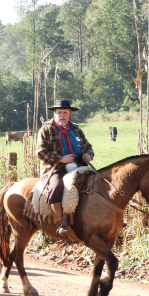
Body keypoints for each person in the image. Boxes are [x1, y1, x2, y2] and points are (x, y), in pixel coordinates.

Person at [36, 99, 95, 239]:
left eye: (65, 112)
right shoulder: (46, 129)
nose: (62, 115)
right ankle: (62, 223)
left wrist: (88, 154)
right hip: (55, 168)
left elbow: (88, 146)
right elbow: (40, 151)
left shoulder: (76, 130)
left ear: (70, 114)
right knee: (57, 186)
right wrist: (59, 159)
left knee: (98, 182)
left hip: (79, 166)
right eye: (59, 113)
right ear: (54, 114)